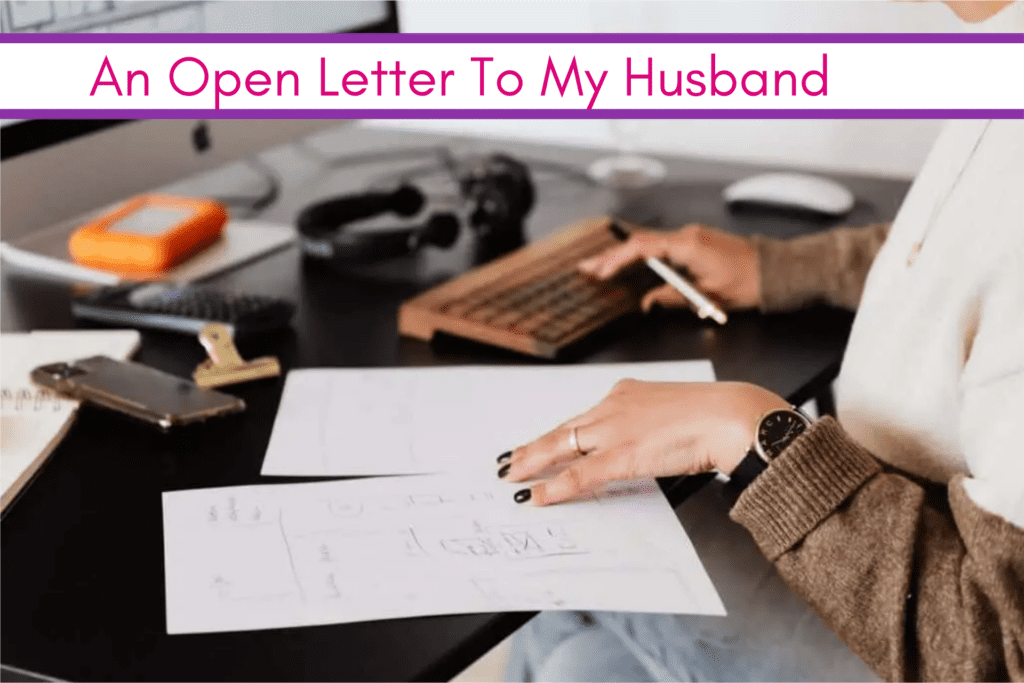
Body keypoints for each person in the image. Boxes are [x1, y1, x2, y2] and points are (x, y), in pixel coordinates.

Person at [500, 5, 1024, 681]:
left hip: (937, 609)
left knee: (573, 534)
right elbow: (980, 245)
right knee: (581, 664)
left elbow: (998, 649)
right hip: (896, 518)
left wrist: (751, 434)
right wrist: (775, 269)